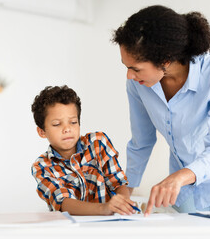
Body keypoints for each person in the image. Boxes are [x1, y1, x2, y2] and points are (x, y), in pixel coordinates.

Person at [112, 5, 210, 215]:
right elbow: (141, 141)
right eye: (127, 67)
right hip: (184, 175)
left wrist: (179, 177)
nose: (129, 76)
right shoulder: (137, 85)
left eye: (135, 68)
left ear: (165, 60)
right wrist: (125, 191)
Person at [31, 85, 137, 215]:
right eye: (57, 124)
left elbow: (118, 182)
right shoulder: (42, 167)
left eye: (73, 122)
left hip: (112, 225)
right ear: (42, 132)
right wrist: (104, 208)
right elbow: (63, 202)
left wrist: (123, 204)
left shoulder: (98, 143)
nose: (67, 129)